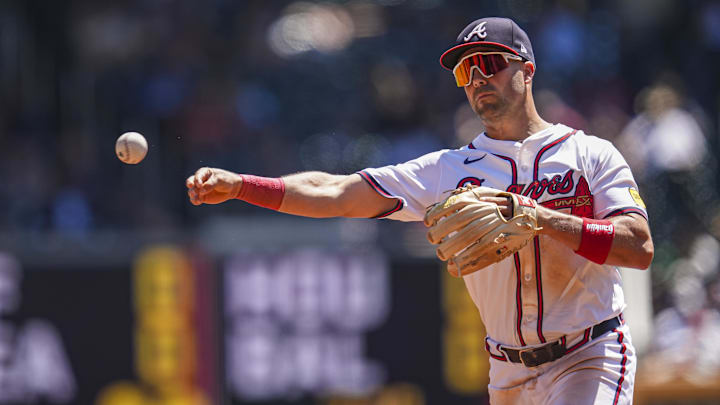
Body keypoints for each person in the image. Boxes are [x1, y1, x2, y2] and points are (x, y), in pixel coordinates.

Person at [186, 17, 653, 405]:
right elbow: (336, 192)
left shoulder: (591, 154)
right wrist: (243, 186)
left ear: (527, 69)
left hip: (589, 354)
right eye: (465, 72)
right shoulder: (448, 170)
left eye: (490, 63)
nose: (477, 79)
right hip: (507, 372)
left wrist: (544, 219)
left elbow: (639, 247)